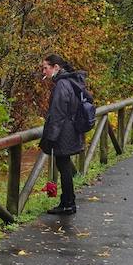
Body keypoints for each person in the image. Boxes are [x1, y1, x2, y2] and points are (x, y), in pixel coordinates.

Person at [39, 53, 90, 216]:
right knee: (65, 166)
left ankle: (68, 204)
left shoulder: (61, 84)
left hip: (63, 132)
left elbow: (58, 112)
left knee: (64, 167)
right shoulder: (71, 81)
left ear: (56, 67)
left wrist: (51, 137)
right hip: (71, 130)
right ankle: (68, 201)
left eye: (45, 67)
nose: (43, 71)